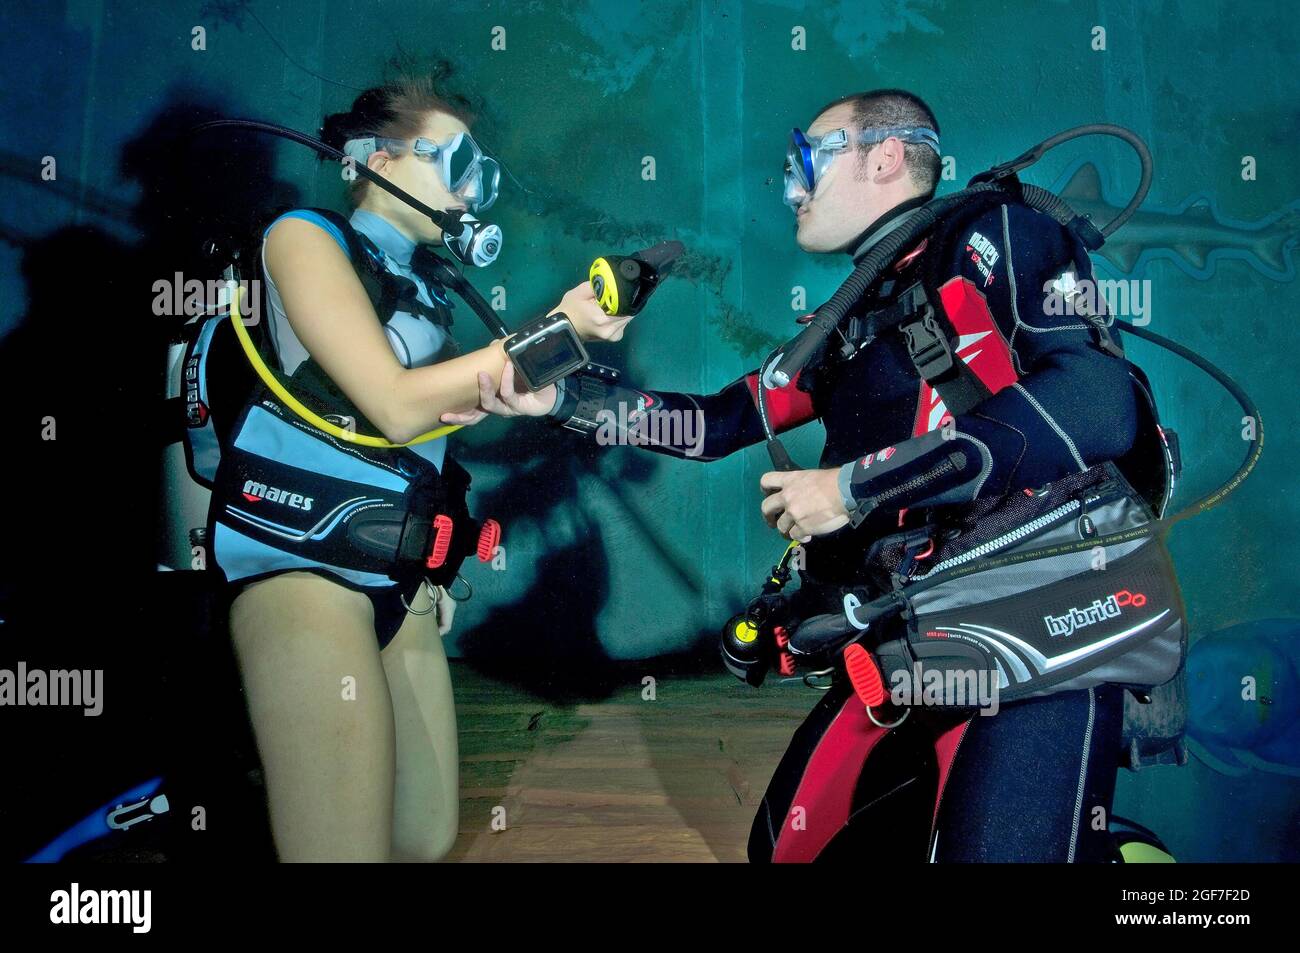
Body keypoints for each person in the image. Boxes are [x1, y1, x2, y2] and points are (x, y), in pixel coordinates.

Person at [454, 89, 1156, 862]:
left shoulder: (1000, 234)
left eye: (805, 160)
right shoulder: (853, 316)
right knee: (786, 850)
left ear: (885, 156)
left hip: (1044, 625)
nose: (790, 186)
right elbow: (721, 422)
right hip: (915, 630)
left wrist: (854, 487)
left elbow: (1097, 404)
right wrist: (564, 399)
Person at [218, 76, 624, 862]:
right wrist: (554, 329)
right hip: (305, 571)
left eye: (485, 172)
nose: (474, 189)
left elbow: (433, 434)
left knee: (424, 833)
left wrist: (546, 386)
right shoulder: (302, 238)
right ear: (370, 160)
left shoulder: (434, 289)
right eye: (458, 160)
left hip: (397, 580)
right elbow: (396, 405)